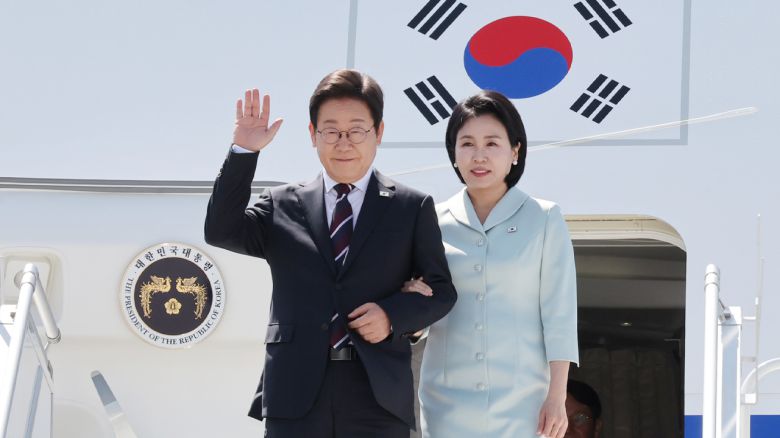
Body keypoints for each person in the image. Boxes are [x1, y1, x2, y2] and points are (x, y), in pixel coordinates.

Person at [204, 69, 457, 437]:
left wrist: (392, 315)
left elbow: (441, 291)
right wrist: (244, 151)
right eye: (331, 131)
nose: (344, 143)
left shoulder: (410, 207)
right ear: (313, 135)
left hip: (378, 396)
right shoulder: (281, 204)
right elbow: (220, 231)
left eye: (356, 131)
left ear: (378, 133)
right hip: (294, 393)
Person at [403, 91, 579, 438]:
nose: (479, 155)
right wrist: (413, 311)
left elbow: (559, 314)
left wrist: (557, 396)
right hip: (446, 402)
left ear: (515, 151)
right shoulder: (431, 220)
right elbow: (422, 314)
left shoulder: (543, 218)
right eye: (467, 143)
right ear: (453, 153)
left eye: (492, 143)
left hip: (524, 402)